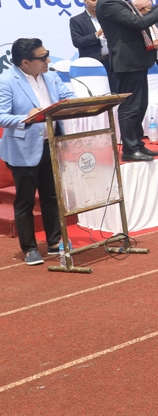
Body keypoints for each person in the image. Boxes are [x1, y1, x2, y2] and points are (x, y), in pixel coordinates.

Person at [0, 38, 76, 265]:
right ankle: (30, 248)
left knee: (51, 196)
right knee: (24, 201)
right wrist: (28, 117)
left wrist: (74, 104)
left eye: (47, 54)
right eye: (42, 57)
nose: (48, 60)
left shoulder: (51, 75)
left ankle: (54, 242)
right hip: (23, 149)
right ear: (25, 62)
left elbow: (67, 97)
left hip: (51, 144)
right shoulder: (6, 81)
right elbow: (2, 116)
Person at [95, 0, 158, 162]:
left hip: (136, 59)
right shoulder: (107, 2)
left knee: (141, 104)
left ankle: (137, 143)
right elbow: (139, 23)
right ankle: (129, 148)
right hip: (126, 60)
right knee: (130, 106)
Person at [69, 0, 114, 86]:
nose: (97, 3)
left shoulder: (108, 18)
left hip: (112, 62)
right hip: (92, 63)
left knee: (115, 92)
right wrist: (96, 35)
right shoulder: (77, 20)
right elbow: (77, 42)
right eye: (93, 0)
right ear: (85, 1)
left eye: (98, 0)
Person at [132, 0, 158, 85]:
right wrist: (152, 45)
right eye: (149, 9)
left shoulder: (154, 23)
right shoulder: (136, 25)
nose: (152, 12)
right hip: (145, 62)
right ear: (141, 10)